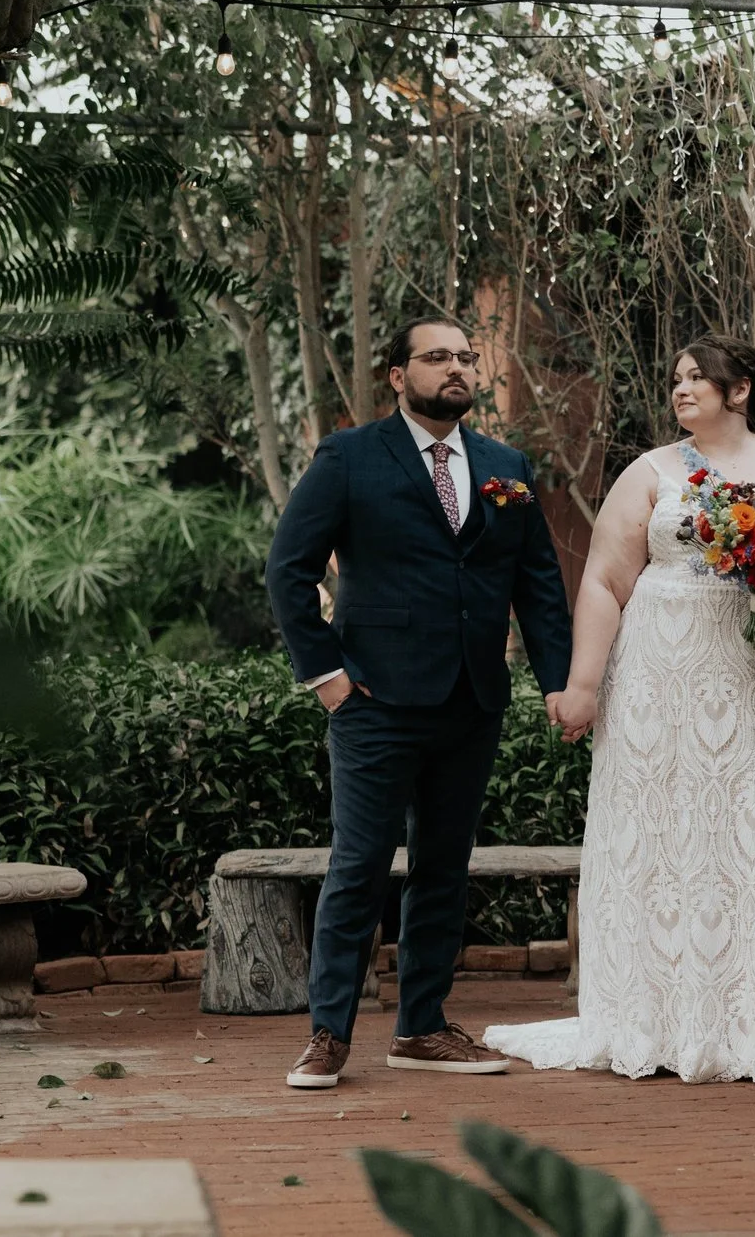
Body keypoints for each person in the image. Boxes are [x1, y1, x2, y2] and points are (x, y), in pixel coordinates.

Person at [483, 335, 755, 1084]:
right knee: (669, 839)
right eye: (676, 378)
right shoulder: (651, 471)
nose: (681, 389)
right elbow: (604, 580)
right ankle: (657, 1021)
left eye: (698, 377)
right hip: (663, 686)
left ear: (741, 390)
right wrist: (584, 685)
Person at [265, 317, 572, 1089]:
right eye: (438, 357)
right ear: (399, 376)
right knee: (359, 865)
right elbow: (288, 568)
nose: (457, 367)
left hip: (473, 698)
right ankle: (328, 1033)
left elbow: (538, 584)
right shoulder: (349, 456)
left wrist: (560, 681)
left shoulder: (506, 465)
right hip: (374, 699)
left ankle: (422, 1027)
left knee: (443, 867)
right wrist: (326, 675)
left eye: (465, 356)